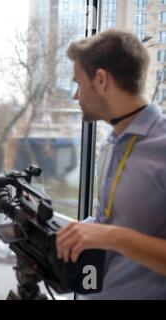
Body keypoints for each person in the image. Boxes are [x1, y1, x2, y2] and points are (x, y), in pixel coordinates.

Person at [56, 29, 166, 299]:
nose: (75, 96)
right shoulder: (112, 143)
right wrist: (77, 232)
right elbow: (112, 218)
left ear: (102, 79)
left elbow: (114, 233)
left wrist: (110, 236)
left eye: (78, 84)